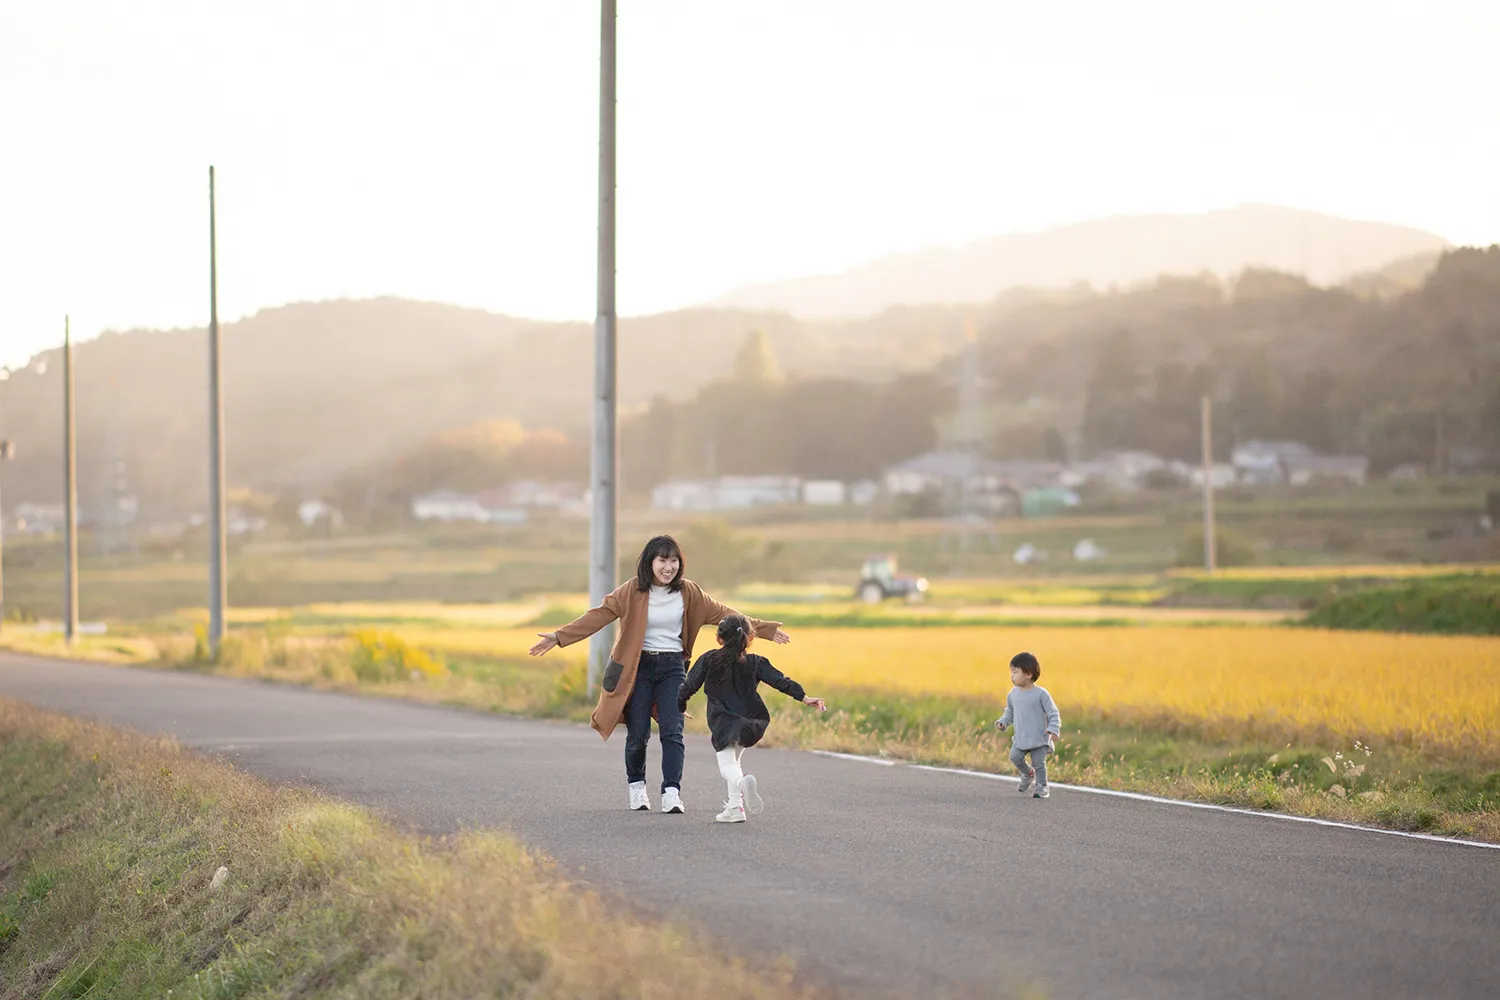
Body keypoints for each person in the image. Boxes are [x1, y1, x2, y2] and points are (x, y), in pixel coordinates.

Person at [529, 535, 789, 814]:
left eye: (674, 560)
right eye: (662, 560)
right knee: (638, 732)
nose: (669, 567)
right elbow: (598, 615)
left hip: (673, 668)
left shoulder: (689, 593)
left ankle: (671, 792)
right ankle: (637, 786)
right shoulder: (631, 591)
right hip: (636, 669)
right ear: (650, 562)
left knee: (673, 731)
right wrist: (558, 636)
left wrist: (765, 630)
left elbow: (727, 615)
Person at [678, 613, 826, 824]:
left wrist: (680, 705)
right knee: (735, 760)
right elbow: (780, 681)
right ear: (749, 639)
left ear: (719, 639)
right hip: (751, 721)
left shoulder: (709, 659)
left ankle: (740, 783)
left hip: (723, 721)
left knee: (726, 766)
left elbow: (688, 686)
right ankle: (734, 808)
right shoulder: (756, 662)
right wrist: (804, 697)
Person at [994, 651, 1062, 798]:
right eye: (1011, 672)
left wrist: (1053, 729)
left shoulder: (1041, 694)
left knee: (1039, 763)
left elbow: (1053, 712)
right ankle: (1027, 773)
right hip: (1020, 737)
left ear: (1028, 674)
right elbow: (1009, 712)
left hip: (1039, 737)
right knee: (1015, 757)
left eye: (1015, 672)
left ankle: (1042, 787)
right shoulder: (1013, 694)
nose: (1012, 676)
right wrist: (1003, 722)